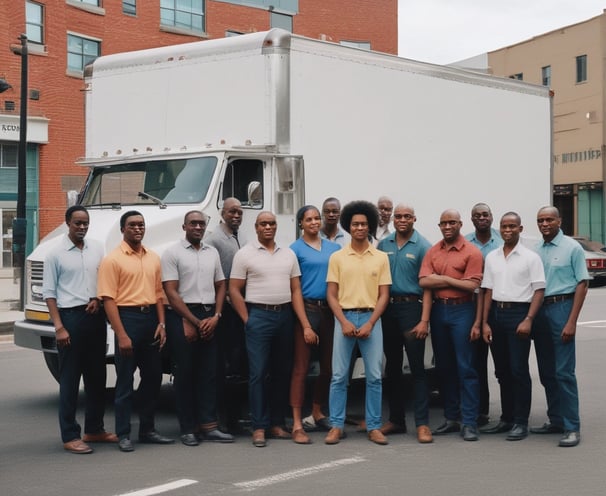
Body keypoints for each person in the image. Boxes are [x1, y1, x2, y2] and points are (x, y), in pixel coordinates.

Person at [229, 211, 311, 448]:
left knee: (281, 371)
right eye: (263, 223)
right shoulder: (244, 254)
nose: (268, 227)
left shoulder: (288, 254)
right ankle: (259, 427)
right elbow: (234, 289)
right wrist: (247, 319)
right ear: (256, 227)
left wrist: (300, 321)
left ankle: (277, 423)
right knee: (257, 373)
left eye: (272, 223)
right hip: (259, 315)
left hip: (284, 316)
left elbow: (295, 289)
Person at [42, 206, 117, 454]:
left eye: (85, 223)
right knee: (70, 381)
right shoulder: (55, 254)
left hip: (95, 317)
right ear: (67, 223)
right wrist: (59, 327)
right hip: (70, 319)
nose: (82, 227)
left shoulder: (97, 247)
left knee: (97, 378)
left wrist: (97, 298)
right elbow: (49, 295)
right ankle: (70, 435)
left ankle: (94, 429)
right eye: (77, 223)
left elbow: (102, 279)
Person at [98, 210, 174, 452]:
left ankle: (148, 429)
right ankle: (123, 434)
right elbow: (108, 300)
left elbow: (159, 295)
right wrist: (121, 334)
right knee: (125, 381)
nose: (138, 229)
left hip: (150, 318)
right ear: (123, 229)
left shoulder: (152, 257)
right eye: (132, 225)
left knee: (152, 378)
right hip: (127, 319)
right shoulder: (113, 260)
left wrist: (161, 324)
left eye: (141, 225)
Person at [161, 210, 234, 446]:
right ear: (184, 227)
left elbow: (221, 285)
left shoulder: (211, 252)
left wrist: (216, 316)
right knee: (185, 374)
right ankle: (188, 428)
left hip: (210, 314)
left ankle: (209, 425)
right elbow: (171, 291)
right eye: (193, 223)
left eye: (202, 224)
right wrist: (192, 321)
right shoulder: (172, 253)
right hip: (183, 315)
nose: (198, 227)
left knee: (210, 373)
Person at [324, 201, 392, 446]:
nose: (360, 228)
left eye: (364, 224)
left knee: (374, 376)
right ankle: (336, 426)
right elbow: (331, 294)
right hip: (344, 318)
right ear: (349, 226)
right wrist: (342, 321)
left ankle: (374, 427)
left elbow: (384, 294)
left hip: (371, 320)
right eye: (355, 224)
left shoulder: (381, 258)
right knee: (339, 376)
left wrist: (371, 323)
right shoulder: (338, 257)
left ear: (370, 226)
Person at [419, 209, 483, 441]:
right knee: (445, 367)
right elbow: (424, 280)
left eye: (452, 222)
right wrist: (452, 281)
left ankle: (469, 422)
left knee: (466, 367)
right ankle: (451, 417)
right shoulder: (433, 251)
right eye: (444, 223)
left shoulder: (472, 252)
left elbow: (471, 286)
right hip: (439, 311)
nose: (447, 226)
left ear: (460, 224)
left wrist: (444, 279)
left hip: (463, 310)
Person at [480, 212, 545, 441]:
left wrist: (528, 319)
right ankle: (506, 418)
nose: (507, 230)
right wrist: (485, 322)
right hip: (497, 314)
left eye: (512, 226)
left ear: (520, 228)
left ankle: (520, 421)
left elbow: (539, 290)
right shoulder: (492, 257)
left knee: (518, 370)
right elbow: (487, 290)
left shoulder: (530, 257)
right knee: (502, 371)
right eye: (504, 226)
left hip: (519, 314)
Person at [531, 206, 589, 447]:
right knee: (546, 371)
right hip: (540, 312)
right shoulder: (535, 250)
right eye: (540, 220)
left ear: (559, 221)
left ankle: (571, 427)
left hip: (561, 308)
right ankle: (555, 419)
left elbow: (582, 284)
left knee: (564, 372)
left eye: (549, 220)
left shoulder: (572, 248)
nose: (544, 224)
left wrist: (572, 321)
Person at [377, 203, 433, 443]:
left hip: (412, 308)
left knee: (417, 369)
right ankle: (396, 420)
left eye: (406, 216)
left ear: (414, 219)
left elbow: (428, 286)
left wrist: (424, 320)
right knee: (392, 368)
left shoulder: (423, 246)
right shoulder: (384, 244)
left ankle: (422, 424)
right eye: (398, 216)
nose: (401, 219)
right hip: (387, 308)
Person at [289, 205, 341, 444]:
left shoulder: (334, 248)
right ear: (300, 223)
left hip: (330, 311)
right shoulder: (294, 250)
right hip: (307, 310)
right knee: (301, 368)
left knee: (329, 367)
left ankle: (318, 411)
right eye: (308, 219)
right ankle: (298, 423)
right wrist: (305, 325)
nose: (313, 222)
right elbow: (295, 289)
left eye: (316, 218)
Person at [205, 198, 247, 432]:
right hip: (226, 312)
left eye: (240, 212)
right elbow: (215, 278)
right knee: (225, 367)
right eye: (232, 211)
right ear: (222, 213)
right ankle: (225, 420)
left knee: (238, 365)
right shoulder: (215, 240)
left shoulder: (240, 237)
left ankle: (236, 417)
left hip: (240, 309)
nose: (236, 215)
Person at [465, 202, 503, 427]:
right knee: (476, 363)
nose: (482, 218)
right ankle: (480, 412)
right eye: (477, 215)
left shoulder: (502, 241)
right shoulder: (465, 242)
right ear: (472, 219)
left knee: (503, 366)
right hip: (472, 307)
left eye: (485, 214)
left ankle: (512, 416)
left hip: (499, 307)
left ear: (491, 217)